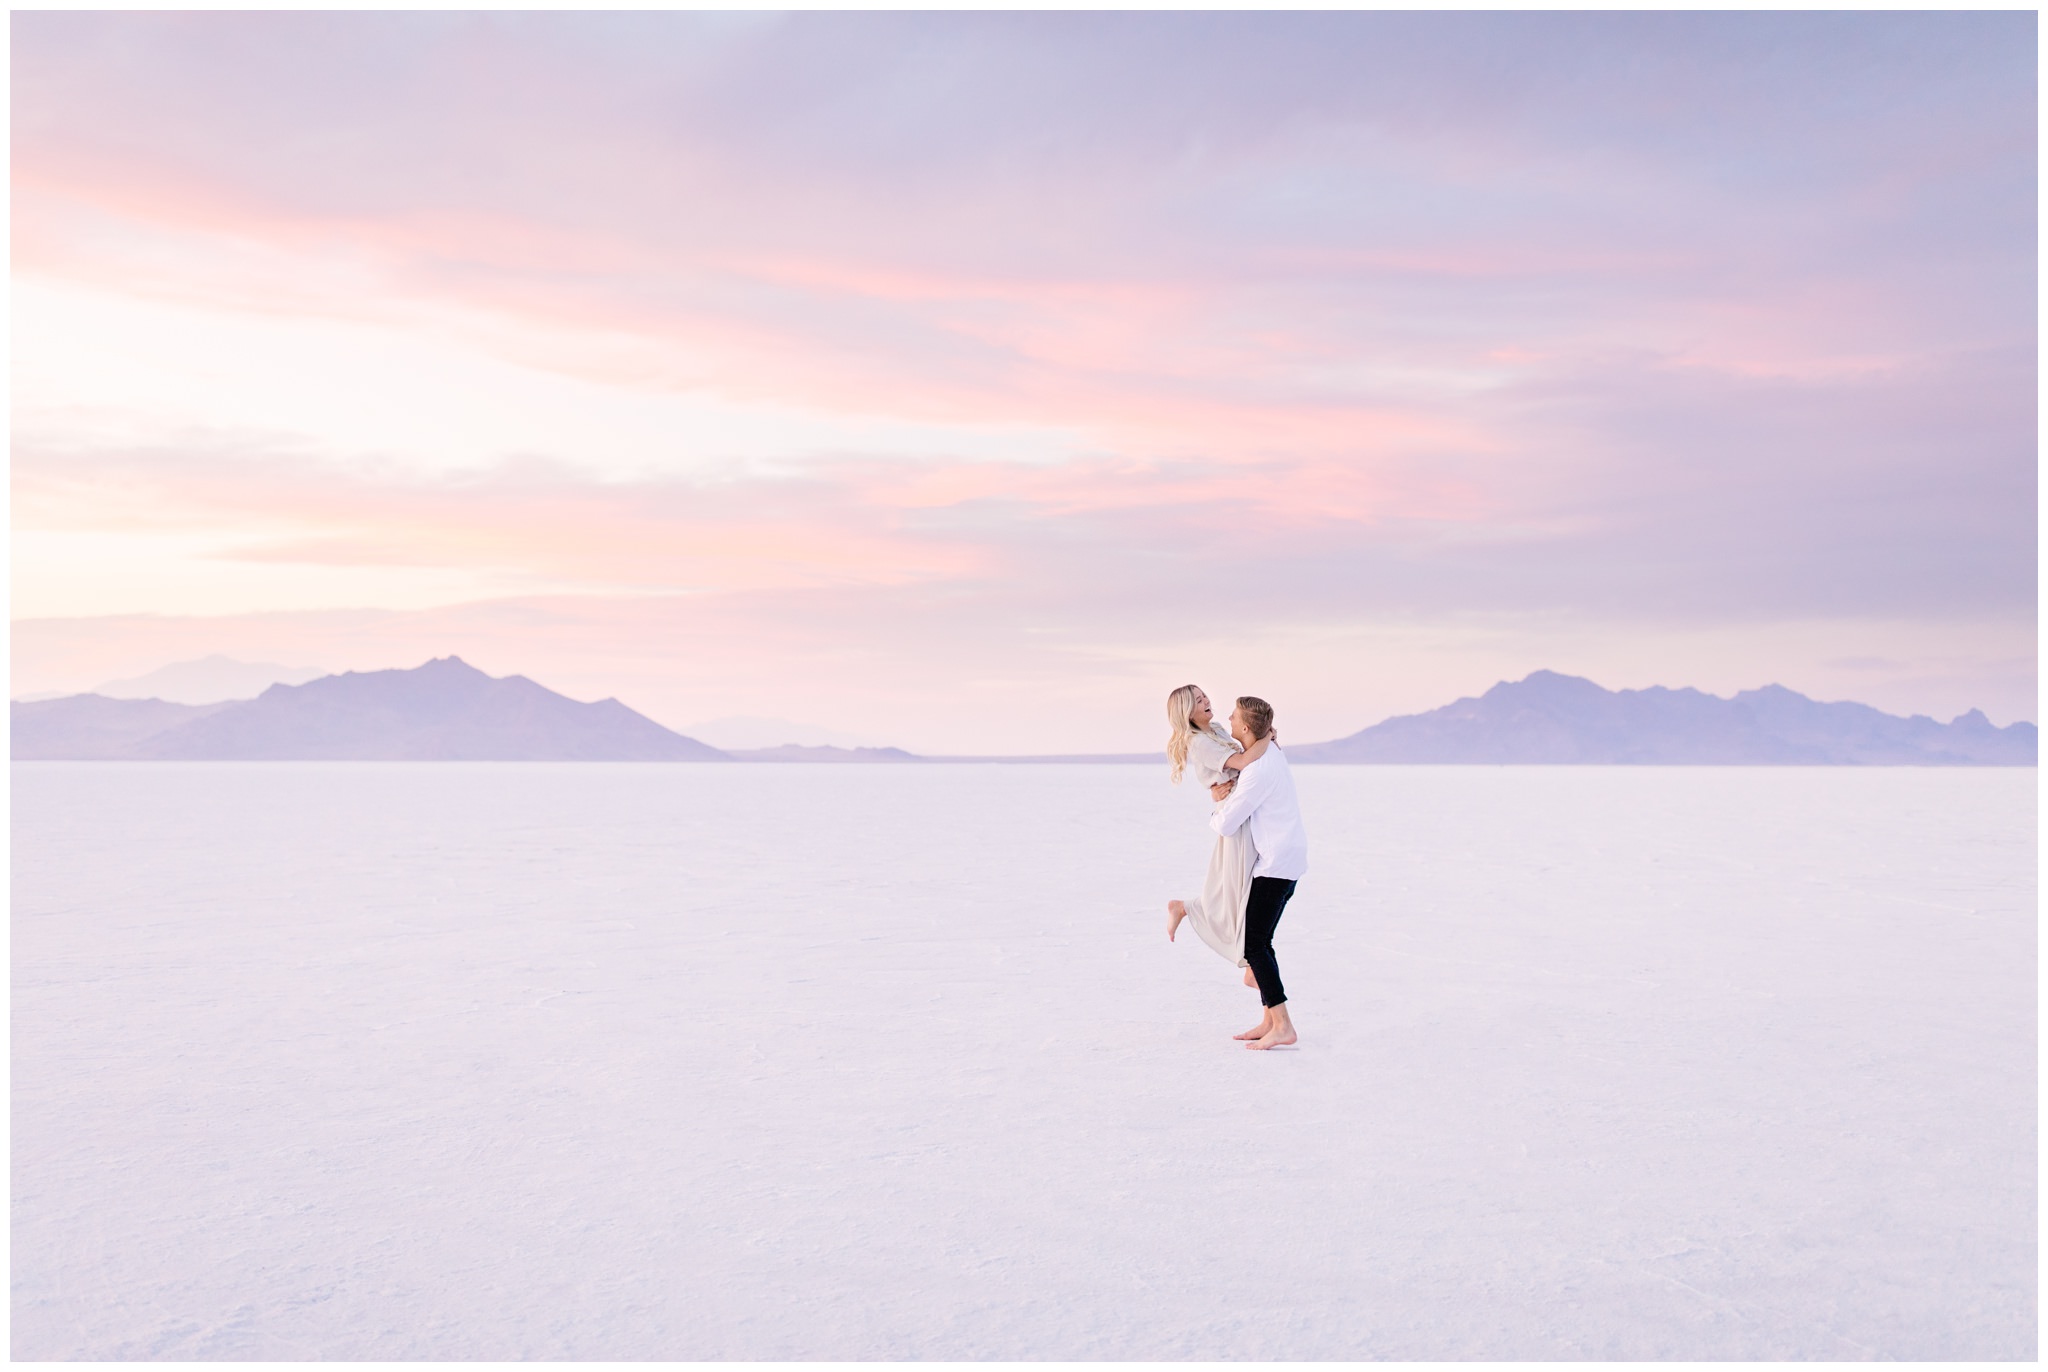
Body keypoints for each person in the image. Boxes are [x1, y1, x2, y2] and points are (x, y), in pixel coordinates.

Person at [1209, 695, 1308, 1050]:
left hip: (1277, 864)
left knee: (1255, 944)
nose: (1229, 720)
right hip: (1287, 859)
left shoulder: (1258, 771)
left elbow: (1226, 825)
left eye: (1233, 717)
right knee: (1261, 942)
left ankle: (1282, 1024)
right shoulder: (1271, 752)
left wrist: (1217, 803)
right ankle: (1270, 1021)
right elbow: (1266, 743)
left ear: (1246, 728)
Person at [1163, 686, 1272, 975]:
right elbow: (1243, 761)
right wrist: (1268, 736)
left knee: (1246, 883)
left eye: (1204, 695)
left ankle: (1252, 959)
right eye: (1198, 701)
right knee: (1238, 884)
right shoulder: (1198, 741)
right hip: (1232, 814)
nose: (1206, 701)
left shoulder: (1218, 728)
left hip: (1240, 806)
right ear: (1187, 712)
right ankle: (1187, 909)